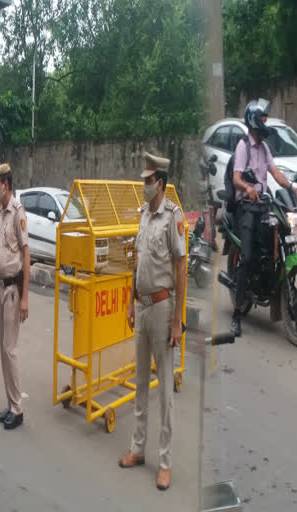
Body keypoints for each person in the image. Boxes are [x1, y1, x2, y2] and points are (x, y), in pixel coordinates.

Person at [118, 152, 186, 492]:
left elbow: (181, 268)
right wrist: (132, 300)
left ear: (159, 182)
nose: (143, 186)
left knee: (165, 393)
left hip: (162, 309)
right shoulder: (144, 215)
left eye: (147, 181)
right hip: (142, 308)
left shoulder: (172, 217)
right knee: (141, 383)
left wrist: (178, 321)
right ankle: (137, 449)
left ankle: (165, 462)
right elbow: (138, 261)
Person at [230, 99, 297, 337]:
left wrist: (290, 186)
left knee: (275, 242)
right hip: (247, 208)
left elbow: (275, 171)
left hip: (263, 205)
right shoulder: (243, 147)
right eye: (264, 119)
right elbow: (236, 177)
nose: (266, 123)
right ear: (254, 120)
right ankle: (237, 313)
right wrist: (247, 188)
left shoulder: (265, 147)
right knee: (247, 259)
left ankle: (270, 284)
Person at [0, 164, 30, 431]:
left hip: (15, 290)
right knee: (4, 352)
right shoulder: (1, 215)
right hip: (1, 288)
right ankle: (10, 403)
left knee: (10, 350)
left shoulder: (17, 212)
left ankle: (18, 409)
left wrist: (26, 296)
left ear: (5, 184)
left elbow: (26, 255)